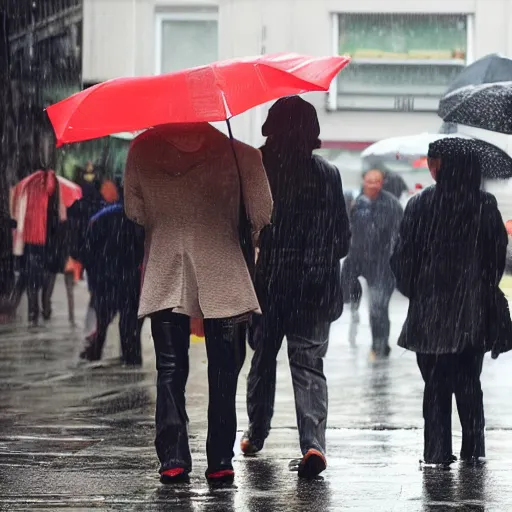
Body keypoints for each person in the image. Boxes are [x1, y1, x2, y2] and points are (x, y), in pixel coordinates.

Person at [124, 122, 272, 484]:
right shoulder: (242, 154)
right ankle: (220, 459)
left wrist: (169, 219)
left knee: (170, 369)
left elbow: (134, 211)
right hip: (222, 269)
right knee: (224, 371)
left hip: (165, 269)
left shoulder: (141, 150)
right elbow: (262, 213)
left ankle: (173, 457)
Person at [242, 97, 351, 479]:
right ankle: (313, 444)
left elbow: (245, 227)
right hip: (316, 289)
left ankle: (256, 433)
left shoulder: (258, 169)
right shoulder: (328, 174)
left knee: (262, 360)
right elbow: (343, 239)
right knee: (308, 366)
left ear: (270, 130)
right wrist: (317, 259)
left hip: (269, 286)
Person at [390, 137, 512, 466]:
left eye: (433, 161)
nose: (430, 166)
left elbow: (401, 259)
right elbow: (496, 258)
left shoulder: (420, 204)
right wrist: (479, 286)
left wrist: (417, 290)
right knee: (469, 382)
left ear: (443, 165)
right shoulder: (485, 205)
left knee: (436, 385)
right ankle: (474, 450)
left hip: (429, 313)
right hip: (473, 312)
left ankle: (437, 452)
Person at [341, 169, 403, 357]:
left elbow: (399, 234)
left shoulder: (391, 204)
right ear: (363, 181)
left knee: (378, 307)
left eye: (377, 181)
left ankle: (380, 346)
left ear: (382, 182)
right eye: (370, 181)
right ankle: (354, 318)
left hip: (382, 263)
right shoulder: (355, 202)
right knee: (346, 296)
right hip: (357, 258)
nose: (373, 185)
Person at [79, 195, 144, 366]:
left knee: (102, 324)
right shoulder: (140, 220)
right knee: (130, 329)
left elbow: (86, 252)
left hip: (106, 282)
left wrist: (94, 281)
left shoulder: (100, 217)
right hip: (131, 282)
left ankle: (94, 355)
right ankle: (131, 362)